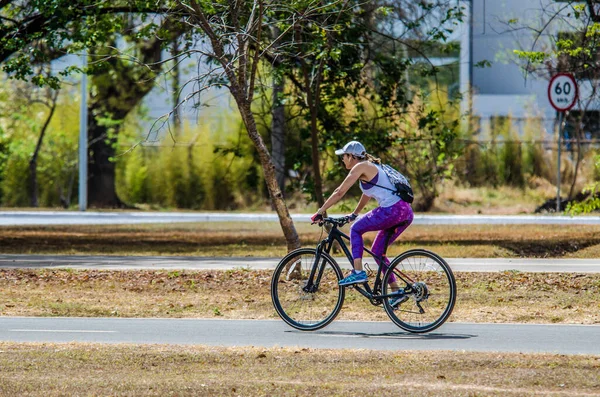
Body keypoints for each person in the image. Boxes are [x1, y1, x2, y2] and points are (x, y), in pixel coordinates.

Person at [310, 140, 414, 306]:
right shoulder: (369, 169)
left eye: (344, 156)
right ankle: (396, 291)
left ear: (351, 156)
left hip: (392, 210)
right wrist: (354, 213)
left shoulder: (360, 167)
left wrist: (320, 211)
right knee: (377, 251)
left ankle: (358, 271)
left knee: (356, 229)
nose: (342, 159)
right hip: (404, 211)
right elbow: (368, 194)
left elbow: (339, 192)